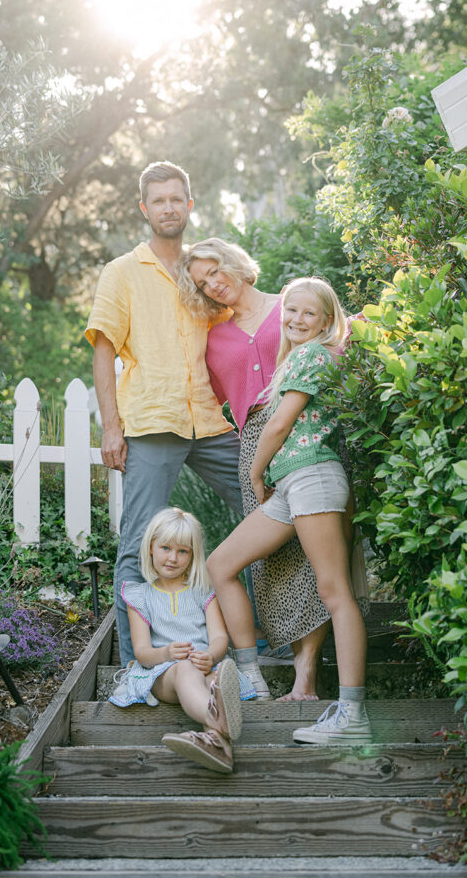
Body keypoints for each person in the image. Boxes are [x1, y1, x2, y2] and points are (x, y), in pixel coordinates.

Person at [85, 162, 243, 666]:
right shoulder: (122, 272)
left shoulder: (203, 271)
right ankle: (136, 664)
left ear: (189, 204)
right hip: (152, 420)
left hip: (211, 420)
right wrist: (111, 427)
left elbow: (239, 325)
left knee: (266, 510)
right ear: (145, 209)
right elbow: (104, 350)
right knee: (137, 541)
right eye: (159, 200)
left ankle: (256, 638)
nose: (169, 207)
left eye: (177, 198)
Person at [205, 277, 372, 744]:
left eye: (309, 314)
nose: (297, 320)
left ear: (326, 321)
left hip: (313, 477)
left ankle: (352, 715)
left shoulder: (315, 354)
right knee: (220, 564)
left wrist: (256, 472)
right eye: (291, 311)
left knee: (334, 592)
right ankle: (250, 675)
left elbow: (279, 424)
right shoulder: (295, 359)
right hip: (293, 485)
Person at [178, 239, 332, 701]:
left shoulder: (289, 306)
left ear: (236, 263)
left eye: (216, 271)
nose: (214, 283)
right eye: (203, 282)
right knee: (274, 565)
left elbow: (335, 334)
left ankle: (307, 679)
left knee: (314, 562)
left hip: (307, 436)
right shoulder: (213, 336)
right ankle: (260, 674)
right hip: (255, 446)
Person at [110, 507, 254, 773]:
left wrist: (211, 655)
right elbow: (141, 652)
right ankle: (216, 718)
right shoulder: (140, 595)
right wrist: (165, 653)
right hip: (163, 676)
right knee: (185, 668)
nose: (173, 558)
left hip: (203, 669)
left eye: (183, 551)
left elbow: (220, 636)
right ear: (151, 547)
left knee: (218, 679)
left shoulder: (203, 590)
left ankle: (220, 747)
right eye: (165, 548)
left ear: (193, 555)